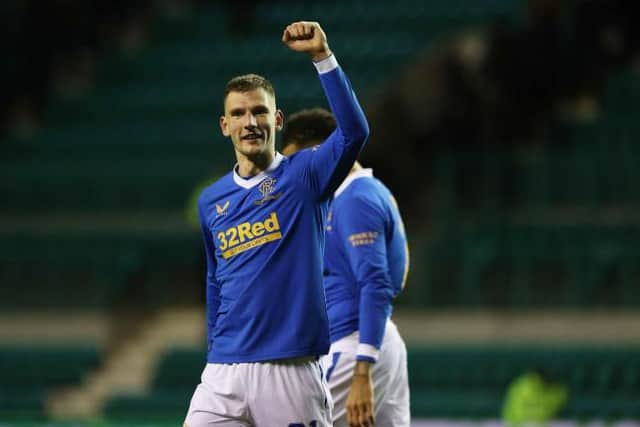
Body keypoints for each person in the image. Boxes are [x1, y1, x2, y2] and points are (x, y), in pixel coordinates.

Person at [184, 21, 369, 427]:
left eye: (259, 112)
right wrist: (216, 346)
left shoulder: (304, 176)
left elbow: (355, 132)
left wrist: (322, 58)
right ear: (225, 125)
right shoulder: (211, 200)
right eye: (239, 113)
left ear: (277, 120)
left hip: (290, 369)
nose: (250, 122)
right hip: (224, 371)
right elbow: (216, 279)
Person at [282, 108, 410, 427]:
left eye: (295, 161)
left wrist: (362, 368)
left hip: (355, 346)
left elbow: (375, 284)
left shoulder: (356, 199)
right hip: (375, 341)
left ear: (319, 152)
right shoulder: (361, 193)